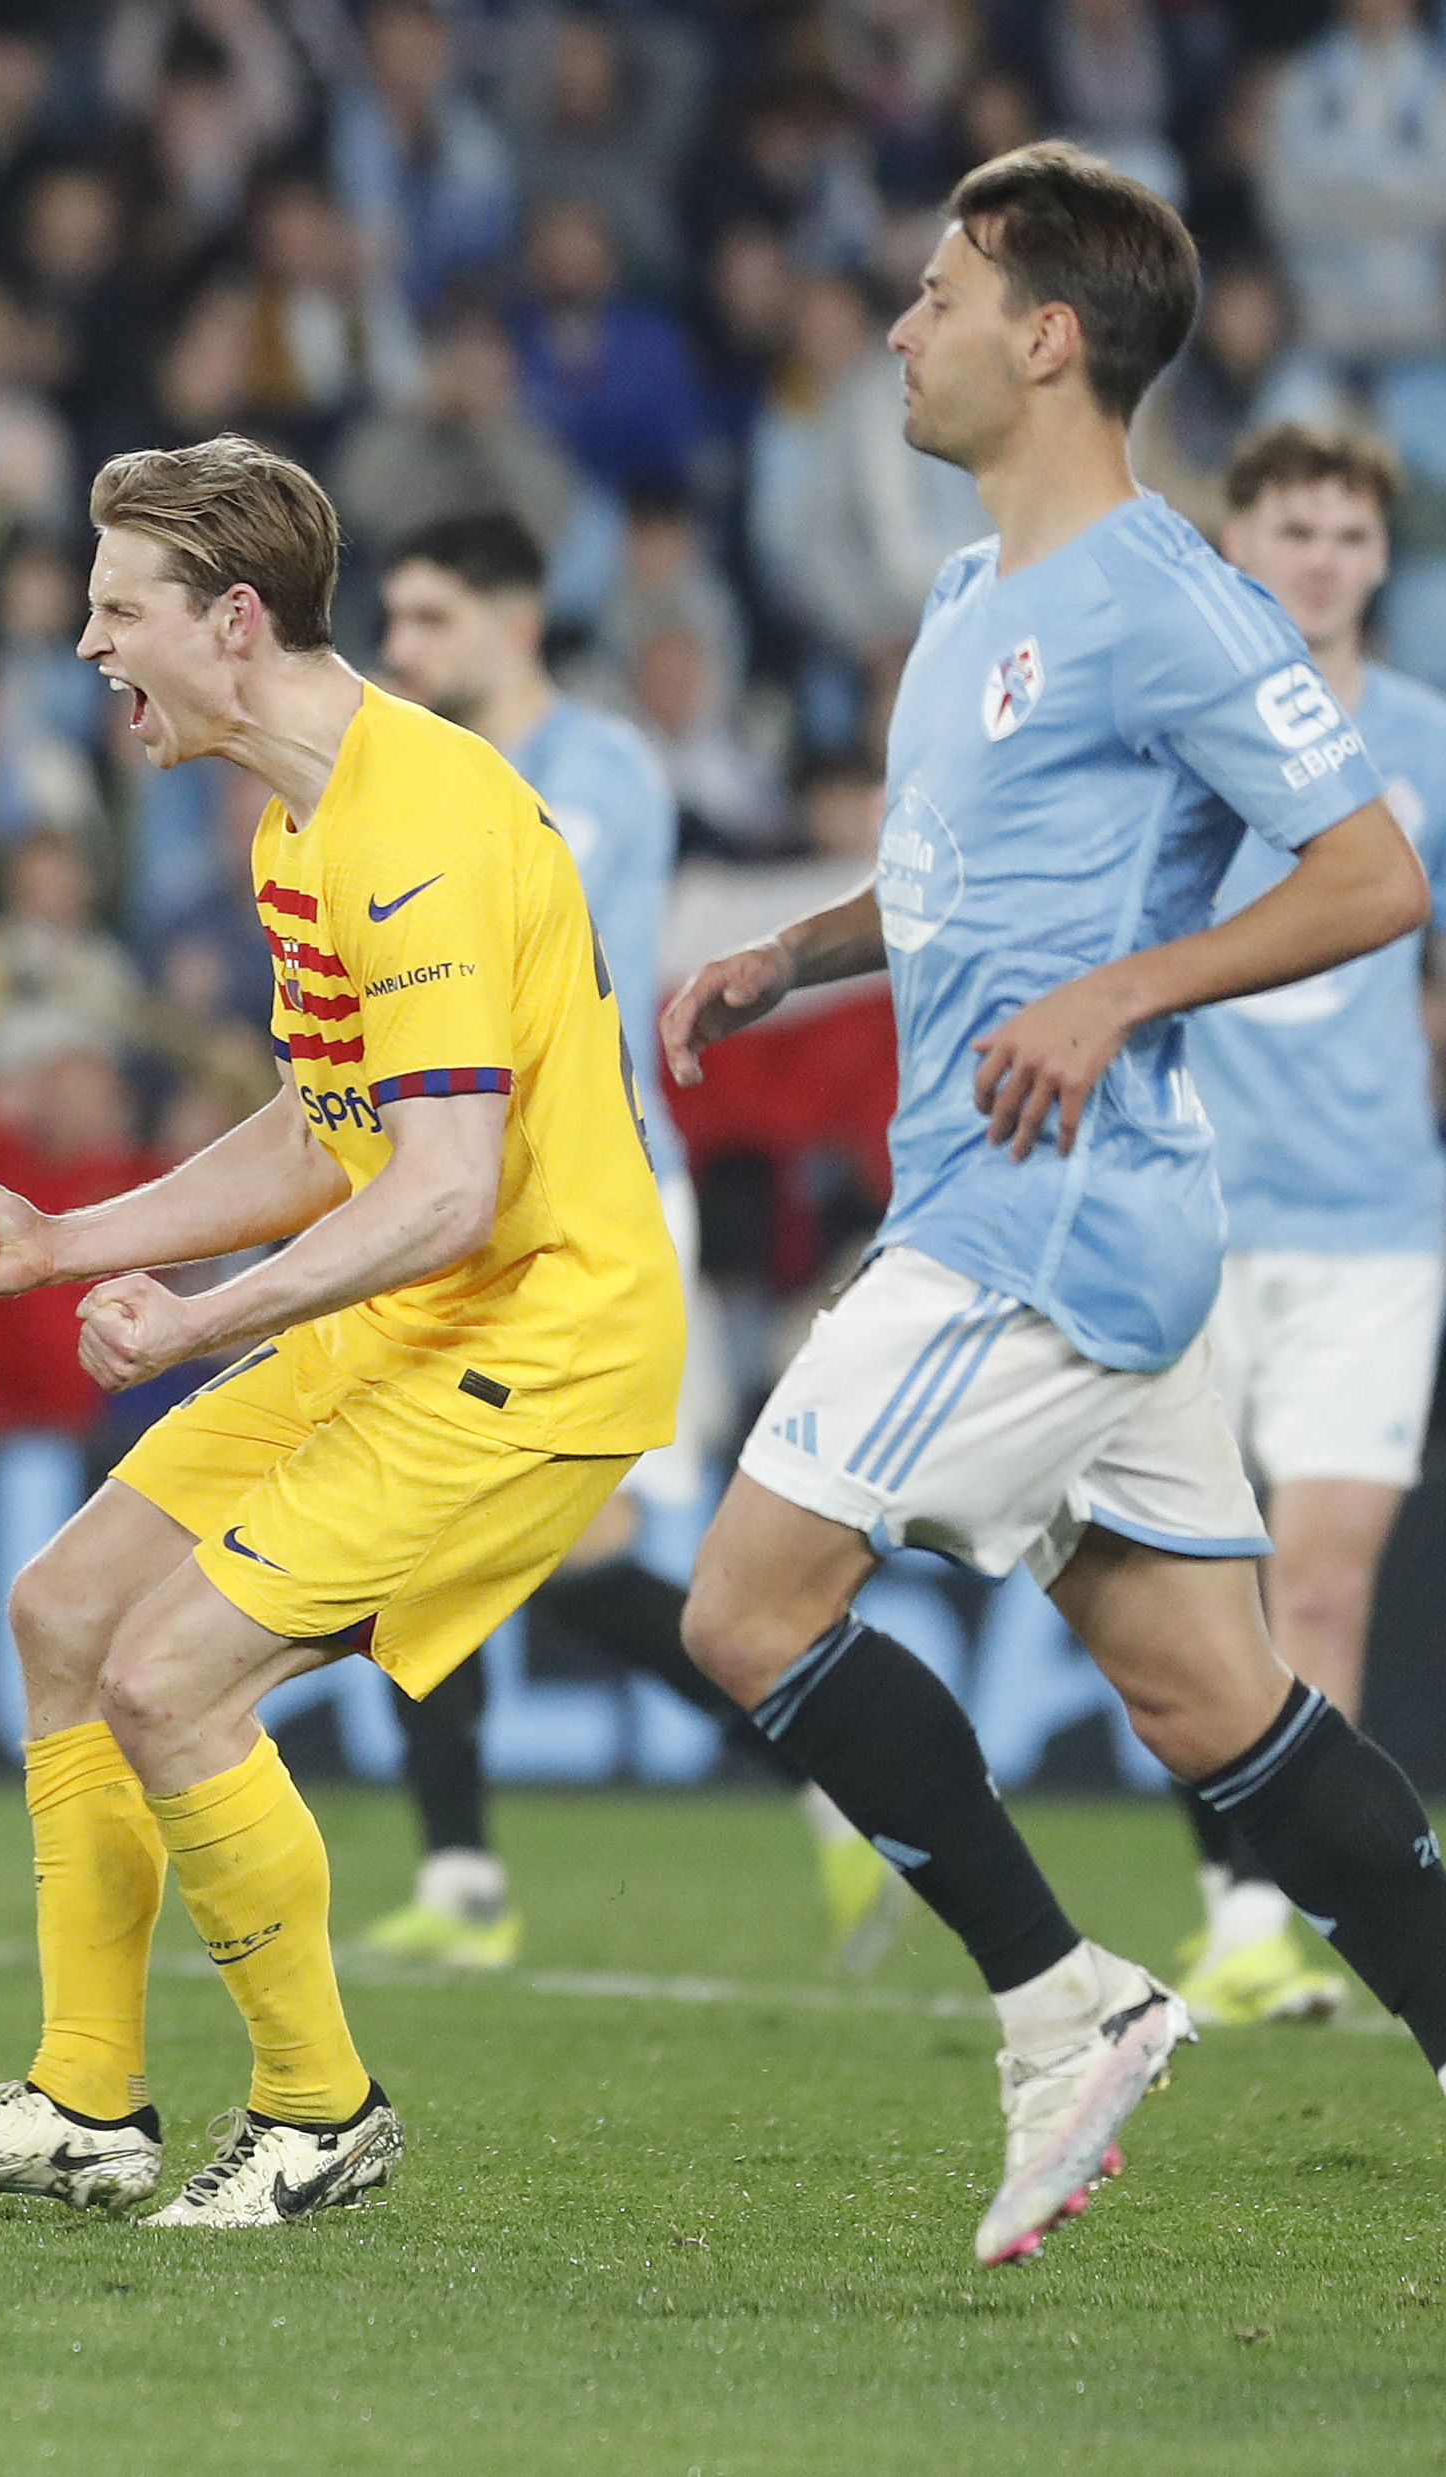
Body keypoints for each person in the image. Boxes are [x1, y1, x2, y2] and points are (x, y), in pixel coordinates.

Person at [662, 146, 1446, 2270]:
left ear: (1047, 338)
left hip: (1046, 1205)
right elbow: (950, 895)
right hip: (1066, 1203)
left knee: (743, 1607)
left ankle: (1057, 2003)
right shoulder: (961, 603)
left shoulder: (1171, 594)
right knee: (1215, 1708)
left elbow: (1374, 875)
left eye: (932, 293)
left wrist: (1124, 991)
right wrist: (788, 959)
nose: (894, 329)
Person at [0, 435, 682, 2228]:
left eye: (113, 610)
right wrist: (74, 1236)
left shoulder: (421, 830)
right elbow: (328, 1128)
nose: (87, 649)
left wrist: (204, 1317)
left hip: (538, 1334)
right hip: (413, 1309)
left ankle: (320, 2110)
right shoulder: (306, 819)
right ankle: (86, 2101)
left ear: (231, 620)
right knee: (64, 1612)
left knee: (172, 1678)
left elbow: (449, 1188)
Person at [355, 508, 875, 1972]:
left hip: (593, 1203)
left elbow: (508, 932)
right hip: (457, 1190)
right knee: (421, 1522)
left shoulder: (591, 774)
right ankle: (460, 1875)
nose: (399, 652)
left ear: (517, 625)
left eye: (431, 620)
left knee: (602, 1554)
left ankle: (836, 1773)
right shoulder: (421, 768)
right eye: (391, 622)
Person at [1171, 422, 1446, 2030]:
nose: (1324, 555)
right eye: (1294, 525)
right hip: (1193, 1211)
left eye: (1351, 531)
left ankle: (1291, 1906)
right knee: (1206, 1585)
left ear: (1379, 559)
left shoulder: (1423, 734)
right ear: (1244, 543)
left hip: (1372, 1224)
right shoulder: (1187, 729)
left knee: (1325, 1585)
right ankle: (1239, 1902)